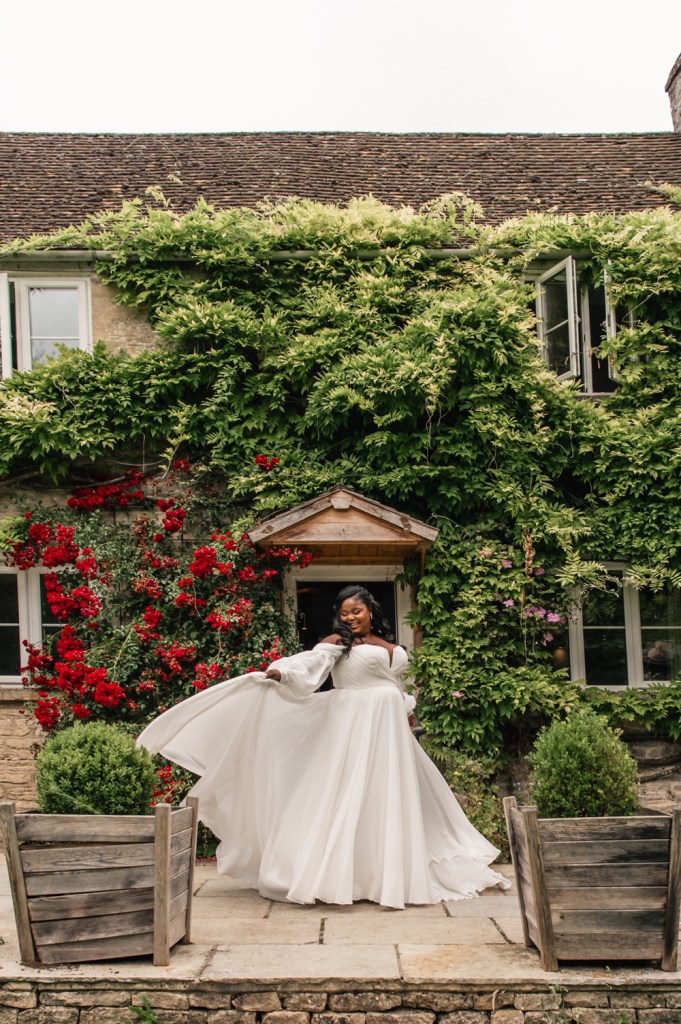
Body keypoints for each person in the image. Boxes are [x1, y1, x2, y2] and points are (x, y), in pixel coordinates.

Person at [137, 584, 509, 908]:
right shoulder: (336, 644)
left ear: (370, 611)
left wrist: (407, 710)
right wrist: (282, 673)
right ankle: (343, 875)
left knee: (385, 795)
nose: (350, 618)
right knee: (345, 793)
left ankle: (388, 873)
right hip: (351, 723)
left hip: (388, 729)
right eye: (344, 612)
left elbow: (398, 687)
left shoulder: (390, 646)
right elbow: (308, 665)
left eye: (356, 611)